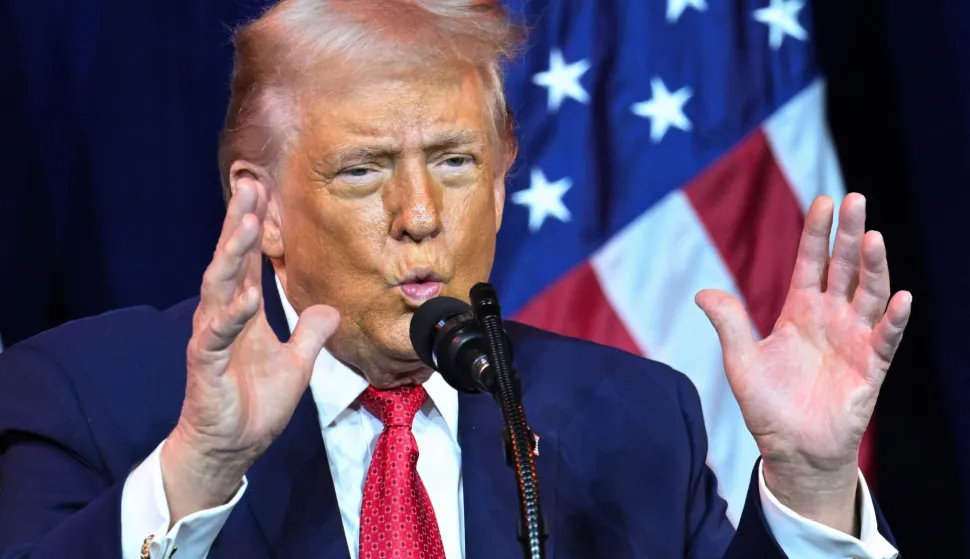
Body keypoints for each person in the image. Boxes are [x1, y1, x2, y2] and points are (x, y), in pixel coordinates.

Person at [0, 1, 911, 558]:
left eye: (456, 161)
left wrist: (809, 481)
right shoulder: (85, 394)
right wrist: (197, 469)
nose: (420, 212)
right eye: (362, 169)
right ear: (263, 204)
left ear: (506, 173)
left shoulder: (635, 421)